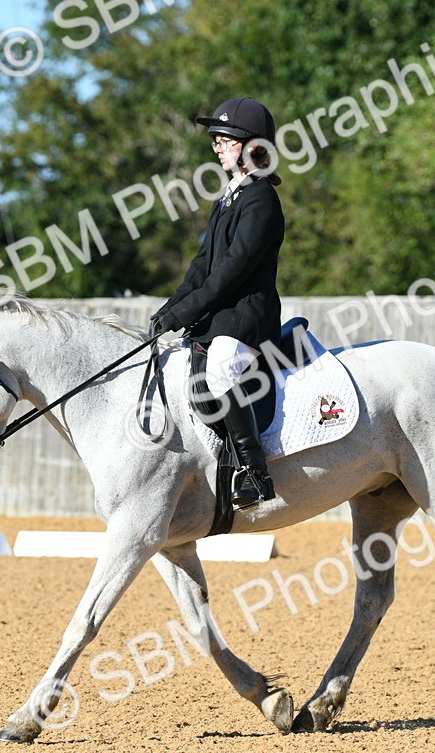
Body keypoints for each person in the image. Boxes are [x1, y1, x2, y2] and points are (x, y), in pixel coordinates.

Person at [149, 97, 284, 509]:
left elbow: (231, 270)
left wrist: (184, 313)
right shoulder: (227, 199)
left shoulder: (261, 200)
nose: (217, 147)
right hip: (224, 311)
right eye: (216, 140)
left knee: (223, 369)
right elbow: (202, 265)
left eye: (225, 140)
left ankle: (254, 472)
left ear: (252, 147)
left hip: (248, 315)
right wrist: (169, 308)